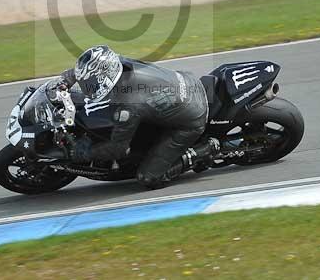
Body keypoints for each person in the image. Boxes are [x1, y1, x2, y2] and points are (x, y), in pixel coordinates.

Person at [46, 45, 219, 189]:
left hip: (192, 119)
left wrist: (83, 152)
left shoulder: (128, 106)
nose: (86, 88)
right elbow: (88, 71)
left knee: (148, 178)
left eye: (90, 84)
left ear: (106, 79)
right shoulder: (118, 63)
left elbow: (118, 149)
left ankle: (204, 150)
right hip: (186, 83)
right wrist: (64, 82)